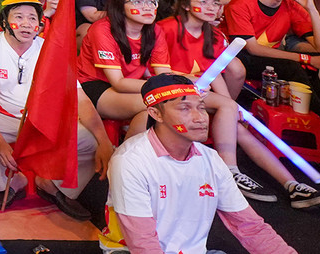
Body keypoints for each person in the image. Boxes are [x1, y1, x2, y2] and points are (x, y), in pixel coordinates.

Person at [152, 0, 320, 207]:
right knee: (230, 110)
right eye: (203, 1)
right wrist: (226, 103)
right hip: (170, 91)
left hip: (201, 92)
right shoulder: (165, 28)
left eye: (215, 3)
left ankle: (291, 185)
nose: (211, 7)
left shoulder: (215, 35)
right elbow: (157, 70)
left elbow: (215, 72)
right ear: (184, 5)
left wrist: (228, 103)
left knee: (239, 126)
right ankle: (231, 172)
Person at [105, 73, 298, 254]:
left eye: (202, 107)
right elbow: (143, 244)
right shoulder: (130, 161)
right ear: (156, 114)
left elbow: (249, 226)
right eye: (184, 108)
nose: (200, 118)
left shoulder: (211, 160)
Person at [0, 0, 111, 217]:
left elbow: (80, 99)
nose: (27, 23)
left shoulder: (50, 50)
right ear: (4, 21)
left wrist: (104, 140)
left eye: (33, 18)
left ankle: (53, 186)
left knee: (90, 141)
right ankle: (10, 182)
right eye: (18, 16)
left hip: (42, 122)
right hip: (2, 116)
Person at [223, 0, 320, 85]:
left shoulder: (291, 5)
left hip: (268, 56)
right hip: (237, 57)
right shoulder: (240, 5)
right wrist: (306, 59)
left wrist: (312, 9)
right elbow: (253, 49)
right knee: (292, 68)